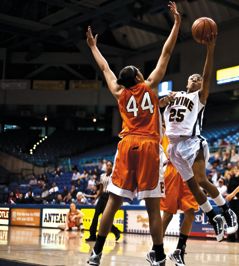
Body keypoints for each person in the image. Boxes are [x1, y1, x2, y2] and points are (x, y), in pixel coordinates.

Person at [86, 2, 181, 265]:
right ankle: (159, 255)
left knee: (112, 203)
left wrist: (94, 47)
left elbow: (105, 68)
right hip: (150, 146)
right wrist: (176, 24)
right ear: (139, 76)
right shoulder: (150, 86)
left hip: (127, 145)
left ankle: (96, 253)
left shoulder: (119, 93)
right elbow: (166, 52)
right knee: (152, 207)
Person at [163, 26, 237, 242]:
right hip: (173, 148)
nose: (196, 79)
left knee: (202, 180)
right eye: (192, 78)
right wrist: (163, 101)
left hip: (192, 142)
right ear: (186, 83)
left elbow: (206, 73)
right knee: (193, 185)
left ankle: (226, 210)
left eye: (198, 78)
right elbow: (156, 105)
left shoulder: (199, 98)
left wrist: (210, 50)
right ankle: (214, 217)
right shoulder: (173, 95)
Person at [160, 135, 198, 266]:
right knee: (167, 215)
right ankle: (157, 250)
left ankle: (179, 251)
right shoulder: (163, 135)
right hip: (172, 171)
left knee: (191, 213)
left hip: (188, 171)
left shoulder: (191, 129)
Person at [85, 161, 121, 242]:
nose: (108, 167)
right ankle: (92, 235)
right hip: (102, 197)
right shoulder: (102, 176)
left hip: (109, 197)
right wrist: (96, 197)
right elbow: (100, 189)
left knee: (106, 218)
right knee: (95, 216)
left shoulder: (114, 176)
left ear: (112, 167)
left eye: (110, 165)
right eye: (107, 165)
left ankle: (116, 231)